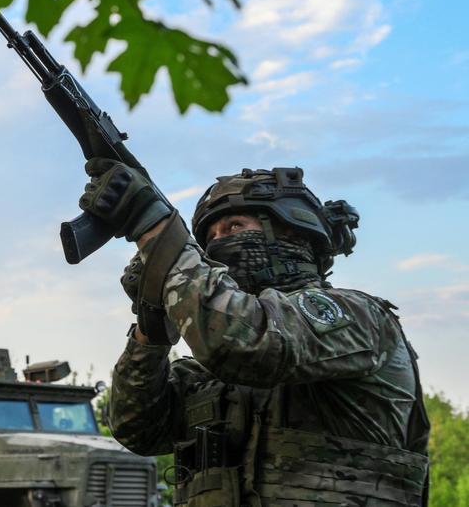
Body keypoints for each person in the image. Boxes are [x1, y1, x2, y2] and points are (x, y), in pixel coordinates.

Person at [77, 160, 430, 506]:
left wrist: (156, 233)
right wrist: (152, 324)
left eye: (234, 227)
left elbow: (246, 344)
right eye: (210, 238)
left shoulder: (357, 316)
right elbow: (137, 428)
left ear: (292, 232)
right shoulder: (213, 372)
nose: (218, 245)